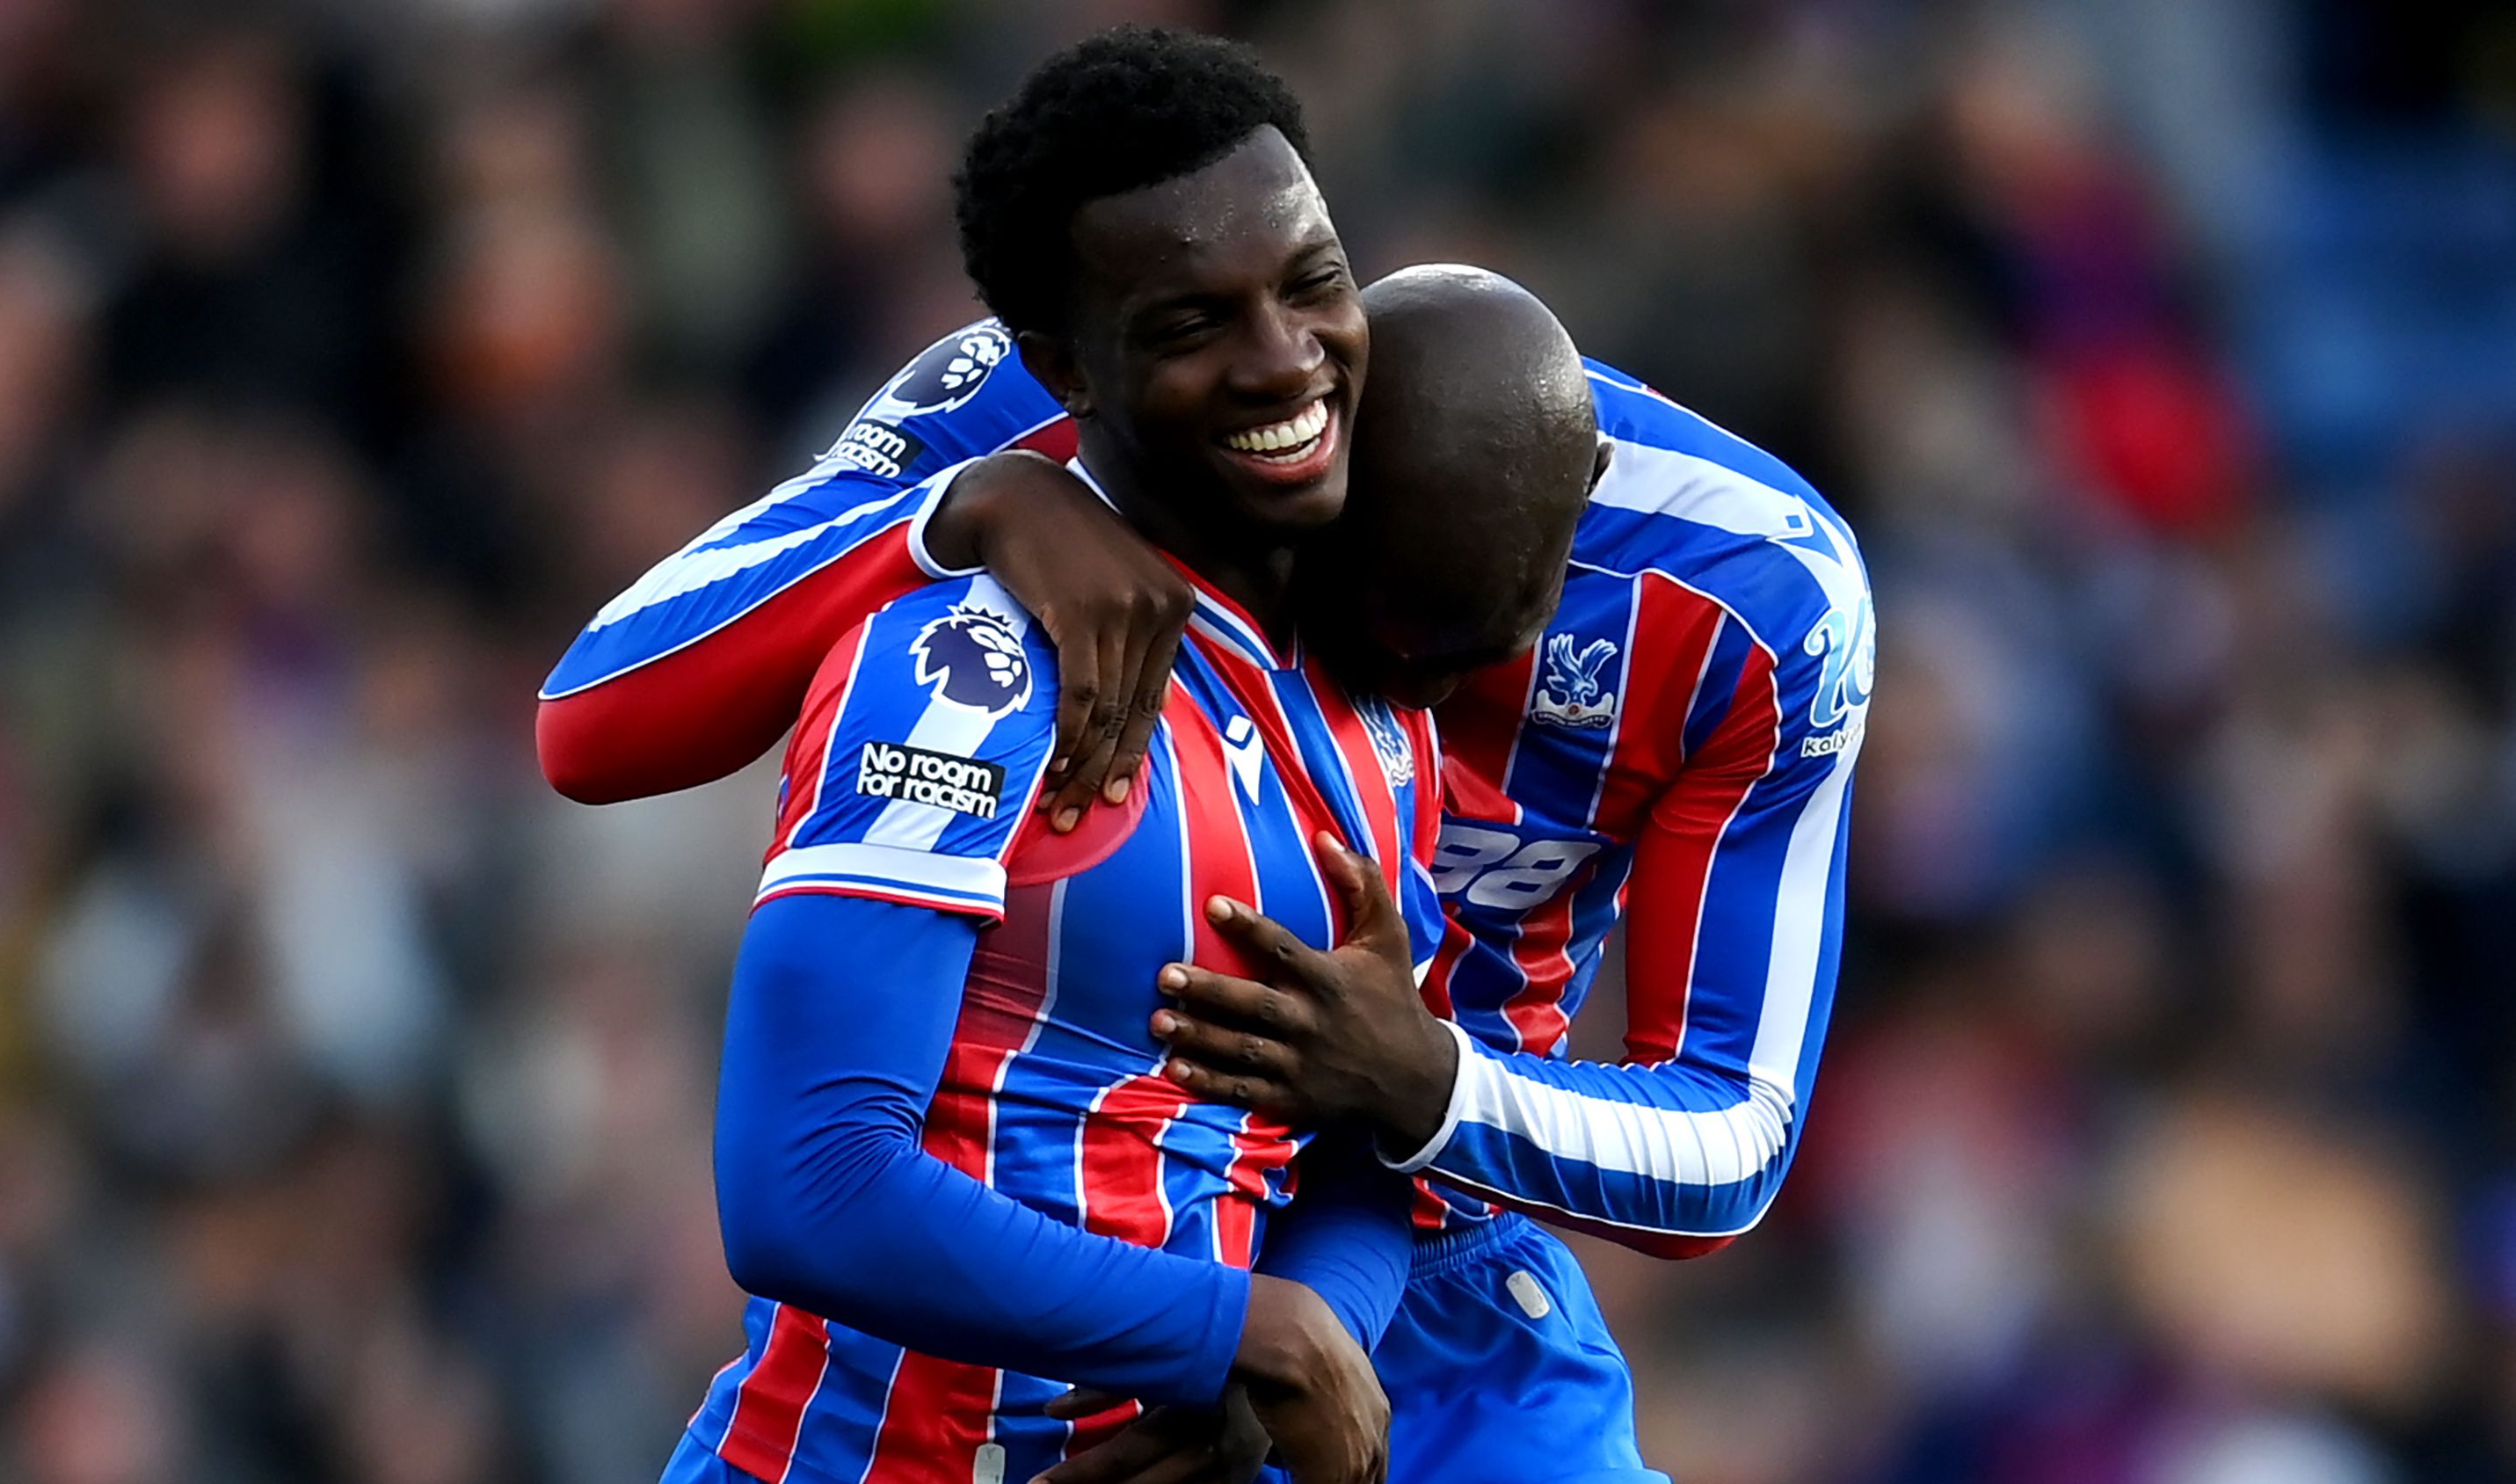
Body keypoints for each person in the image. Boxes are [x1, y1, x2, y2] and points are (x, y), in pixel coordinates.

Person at [554, 31, 1870, 1484]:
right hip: (1023, 1343)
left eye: (1461, 653)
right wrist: (964, 505)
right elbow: (594, 728)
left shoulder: (1730, 611)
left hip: (1393, 1249)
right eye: (1370, 625)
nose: (1423, 697)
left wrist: (1424, 1094)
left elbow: (1737, 1141)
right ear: (1075, 377)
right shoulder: (981, 609)